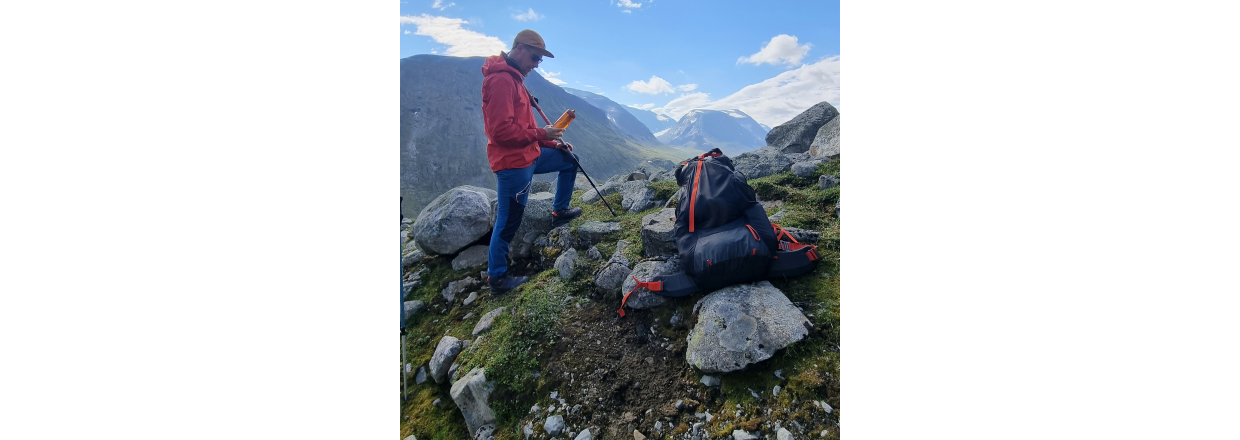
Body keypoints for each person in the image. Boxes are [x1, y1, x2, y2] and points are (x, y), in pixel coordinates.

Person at [481, 29, 582, 294]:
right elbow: (501, 132)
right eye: (535, 58)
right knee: (508, 221)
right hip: (513, 165)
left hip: (530, 155)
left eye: (540, 60)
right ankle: (498, 279)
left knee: (570, 159)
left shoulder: (516, 79)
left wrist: (552, 143)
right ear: (519, 49)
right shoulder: (501, 81)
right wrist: (542, 134)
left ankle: (559, 211)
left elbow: (525, 128)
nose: (537, 64)